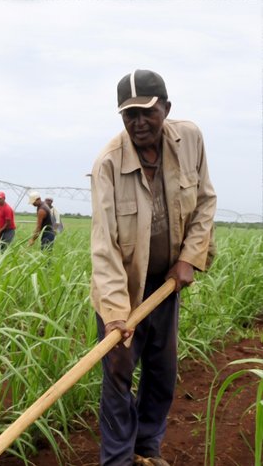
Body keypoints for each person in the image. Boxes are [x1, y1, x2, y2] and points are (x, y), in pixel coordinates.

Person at [90, 69, 216, 466]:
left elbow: (206, 202)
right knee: (117, 376)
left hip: (166, 284)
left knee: (161, 372)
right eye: (129, 115)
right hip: (123, 291)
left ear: (166, 108)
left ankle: (147, 449)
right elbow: (104, 246)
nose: (139, 123)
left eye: (147, 112)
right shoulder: (108, 165)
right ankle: (117, 460)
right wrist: (114, 316)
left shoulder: (190, 139)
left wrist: (188, 258)